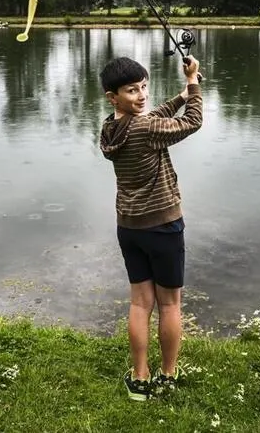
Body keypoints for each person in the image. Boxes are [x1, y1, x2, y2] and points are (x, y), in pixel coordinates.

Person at [98, 54, 203, 401]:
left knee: (140, 304)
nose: (142, 95)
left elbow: (150, 116)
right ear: (113, 97)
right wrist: (193, 85)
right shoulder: (146, 130)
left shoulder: (110, 129)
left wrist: (180, 95)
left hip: (129, 227)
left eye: (144, 86)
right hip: (162, 225)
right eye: (132, 90)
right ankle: (167, 375)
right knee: (169, 305)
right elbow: (193, 121)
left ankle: (139, 378)